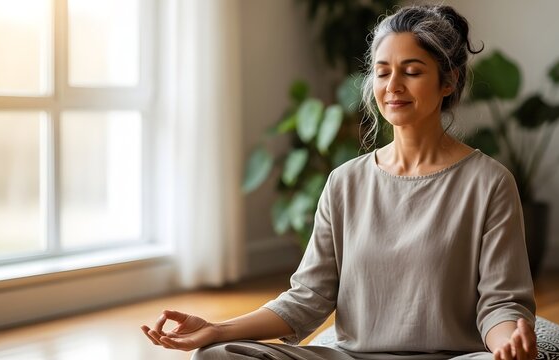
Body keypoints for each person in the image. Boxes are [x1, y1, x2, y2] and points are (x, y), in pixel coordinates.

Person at [141, 5, 537, 360]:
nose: (393, 86)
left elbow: (502, 304)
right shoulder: (344, 182)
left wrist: (508, 344)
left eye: (412, 71)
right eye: (383, 72)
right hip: (352, 358)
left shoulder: (489, 182)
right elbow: (308, 297)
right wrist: (217, 329)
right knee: (217, 356)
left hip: (450, 358)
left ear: (447, 81)